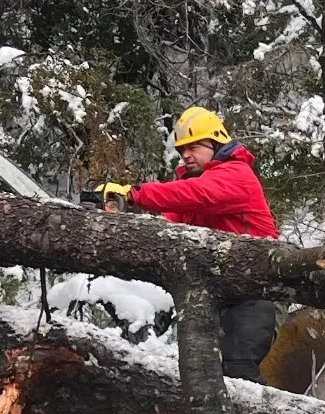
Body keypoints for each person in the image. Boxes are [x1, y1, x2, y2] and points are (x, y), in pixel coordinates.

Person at [89, 106, 281, 383]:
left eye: (193, 147)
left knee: (239, 369)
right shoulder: (194, 188)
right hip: (219, 293)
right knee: (202, 373)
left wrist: (133, 194)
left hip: (257, 292)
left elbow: (196, 194)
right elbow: (168, 228)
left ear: (215, 142)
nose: (186, 155)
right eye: (181, 150)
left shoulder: (237, 175)